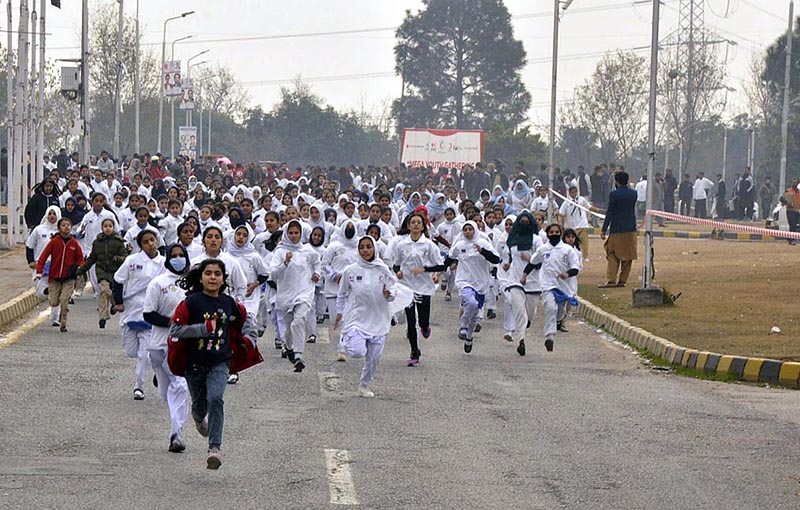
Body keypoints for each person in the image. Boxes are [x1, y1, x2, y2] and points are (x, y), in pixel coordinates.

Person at [169, 258, 261, 469]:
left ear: (223, 279)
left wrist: (249, 340)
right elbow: (175, 331)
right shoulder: (190, 303)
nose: (212, 277)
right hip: (194, 364)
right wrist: (202, 329)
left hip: (221, 361)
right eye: (208, 273)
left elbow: (247, 321)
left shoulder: (229, 303)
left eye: (217, 274)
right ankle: (199, 419)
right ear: (201, 278)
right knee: (200, 407)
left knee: (216, 397)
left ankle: (214, 448)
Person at [333, 236, 398, 398]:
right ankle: (346, 338)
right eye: (362, 247)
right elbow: (342, 294)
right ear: (358, 250)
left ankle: (364, 385)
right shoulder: (350, 270)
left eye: (369, 247)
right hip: (357, 317)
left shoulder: (382, 269)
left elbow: (393, 288)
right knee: (356, 351)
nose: (365, 250)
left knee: (374, 358)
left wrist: (389, 294)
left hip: (378, 318)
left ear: (374, 249)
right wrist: (339, 313)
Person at [142, 244, 191, 453]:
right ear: (168, 259)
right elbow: (148, 314)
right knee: (167, 392)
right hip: (158, 346)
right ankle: (176, 424)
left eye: (182, 256)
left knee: (180, 386)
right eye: (174, 256)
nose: (178, 259)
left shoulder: (194, 285)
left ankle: (176, 434)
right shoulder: (158, 284)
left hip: (182, 346)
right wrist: (171, 322)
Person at [113, 230, 165, 401]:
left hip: (150, 313)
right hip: (131, 312)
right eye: (146, 242)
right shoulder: (132, 261)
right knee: (131, 351)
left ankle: (139, 386)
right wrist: (118, 301)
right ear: (141, 245)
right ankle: (156, 365)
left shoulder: (163, 263)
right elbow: (118, 280)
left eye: (152, 240)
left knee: (144, 354)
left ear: (157, 241)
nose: (150, 244)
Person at [268, 220, 322, 372]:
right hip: (286, 294)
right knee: (290, 325)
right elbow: (273, 274)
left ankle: (298, 354)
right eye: (290, 233)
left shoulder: (307, 250)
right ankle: (288, 345)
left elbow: (317, 263)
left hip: (305, 291)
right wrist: (285, 262)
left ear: (301, 234)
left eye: (296, 233)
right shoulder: (279, 252)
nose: (293, 236)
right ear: (286, 233)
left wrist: (317, 274)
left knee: (299, 320)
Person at [390, 213, 442, 366]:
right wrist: (398, 272)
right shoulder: (401, 245)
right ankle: (414, 352)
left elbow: (440, 265)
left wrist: (430, 272)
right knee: (411, 321)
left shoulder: (429, 245)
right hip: (407, 287)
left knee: (423, 321)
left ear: (423, 226)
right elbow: (396, 264)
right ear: (408, 226)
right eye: (413, 222)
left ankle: (426, 327)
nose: (416, 225)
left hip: (424, 287)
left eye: (419, 222)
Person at [523, 223, 581, 352]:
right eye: (551, 232)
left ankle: (559, 321)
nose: (554, 234)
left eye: (556, 232)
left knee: (560, 311)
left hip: (564, 287)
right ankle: (550, 337)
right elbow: (532, 263)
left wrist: (567, 274)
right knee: (550, 308)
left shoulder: (568, 250)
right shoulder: (543, 249)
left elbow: (576, 268)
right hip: (548, 285)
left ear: (560, 233)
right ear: (548, 234)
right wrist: (524, 275)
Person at [446, 220, 501, 353]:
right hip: (464, 281)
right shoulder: (459, 245)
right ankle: (463, 325)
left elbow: (496, 259)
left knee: (475, 311)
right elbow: (449, 258)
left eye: (470, 229)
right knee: (470, 302)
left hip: (481, 284)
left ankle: (469, 335)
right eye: (465, 230)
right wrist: (435, 272)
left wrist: (483, 252)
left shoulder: (483, 243)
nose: (468, 232)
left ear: (475, 230)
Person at [76, 218, 128, 329]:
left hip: (115, 272)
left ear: (113, 228)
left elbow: (125, 258)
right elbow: (91, 259)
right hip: (102, 271)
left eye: (110, 226)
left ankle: (115, 304)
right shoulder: (97, 242)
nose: (108, 228)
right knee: (103, 291)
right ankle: (103, 317)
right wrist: (81, 270)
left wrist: (118, 258)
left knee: (112, 291)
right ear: (102, 228)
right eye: (105, 226)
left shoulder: (118, 242)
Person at [36, 218, 84, 332]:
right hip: (55, 277)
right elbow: (43, 256)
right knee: (54, 302)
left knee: (64, 300)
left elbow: (80, 259)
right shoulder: (54, 242)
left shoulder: (74, 243)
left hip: (68, 277)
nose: (66, 227)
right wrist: (39, 271)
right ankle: (50, 291)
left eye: (68, 225)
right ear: (59, 228)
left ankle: (63, 323)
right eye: (63, 225)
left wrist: (79, 268)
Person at [600, 171, 637, 288]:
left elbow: (610, 212)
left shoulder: (614, 195)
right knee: (628, 255)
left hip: (617, 228)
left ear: (616, 182)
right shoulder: (634, 193)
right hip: (630, 228)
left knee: (612, 253)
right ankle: (622, 281)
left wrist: (604, 229)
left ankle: (611, 280)